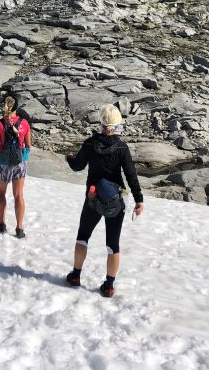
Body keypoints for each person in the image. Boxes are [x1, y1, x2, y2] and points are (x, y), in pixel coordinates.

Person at [65, 104, 143, 298]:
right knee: (112, 244)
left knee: (83, 236)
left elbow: (78, 166)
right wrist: (138, 200)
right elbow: (131, 175)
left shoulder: (90, 144)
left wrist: (69, 158)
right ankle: (109, 285)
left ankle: (76, 275)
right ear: (118, 125)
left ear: (101, 122)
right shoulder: (122, 147)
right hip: (115, 200)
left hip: (92, 198)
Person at [0, 95, 32, 238]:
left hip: (2, 162)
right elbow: (28, 145)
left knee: (1, 193)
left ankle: (2, 224)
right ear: (17, 107)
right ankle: (19, 229)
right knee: (19, 195)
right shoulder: (24, 123)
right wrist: (24, 160)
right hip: (19, 162)